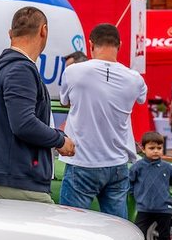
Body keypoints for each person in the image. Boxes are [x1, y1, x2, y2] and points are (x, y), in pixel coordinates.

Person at [0, 6, 74, 203]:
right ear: (44, 30)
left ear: (10, 34)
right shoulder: (20, 70)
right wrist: (60, 140)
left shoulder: (10, 68)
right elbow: (24, 124)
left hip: (13, 178)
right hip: (21, 178)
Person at [59, 24, 147, 218]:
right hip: (117, 163)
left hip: (82, 160)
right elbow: (141, 98)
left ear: (90, 45)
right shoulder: (135, 79)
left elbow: (65, 101)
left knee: (70, 225)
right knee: (117, 228)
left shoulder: (73, 72)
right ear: (120, 45)